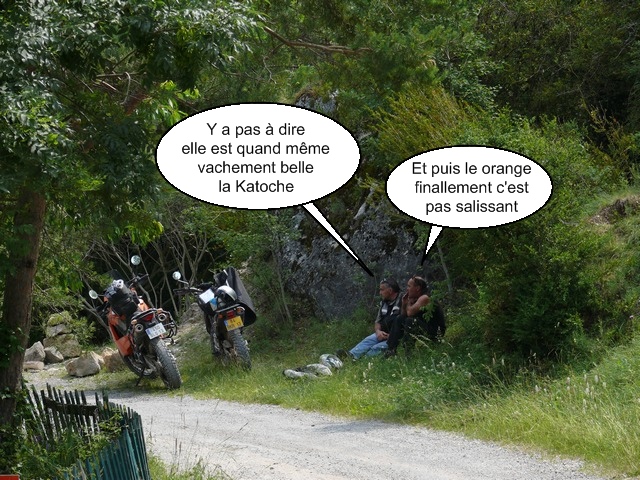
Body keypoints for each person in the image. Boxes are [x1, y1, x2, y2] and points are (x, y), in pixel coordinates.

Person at [337, 279, 402, 360]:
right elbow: (377, 321)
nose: (380, 293)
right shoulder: (383, 303)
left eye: (382, 290)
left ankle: (362, 361)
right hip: (382, 334)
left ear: (390, 290)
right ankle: (350, 356)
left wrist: (391, 336)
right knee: (368, 340)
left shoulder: (403, 301)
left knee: (376, 347)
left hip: (395, 338)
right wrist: (378, 332)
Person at [385, 276, 445, 356]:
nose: (407, 289)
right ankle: (390, 350)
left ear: (417, 288)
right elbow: (404, 315)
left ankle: (408, 352)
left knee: (410, 321)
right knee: (399, 319)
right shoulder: (415, 298)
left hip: (435, 331)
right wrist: (404, 303)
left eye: (409, 286)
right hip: (424, 326)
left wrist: (408, 303)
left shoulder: (425, 297)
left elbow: (410, 313)